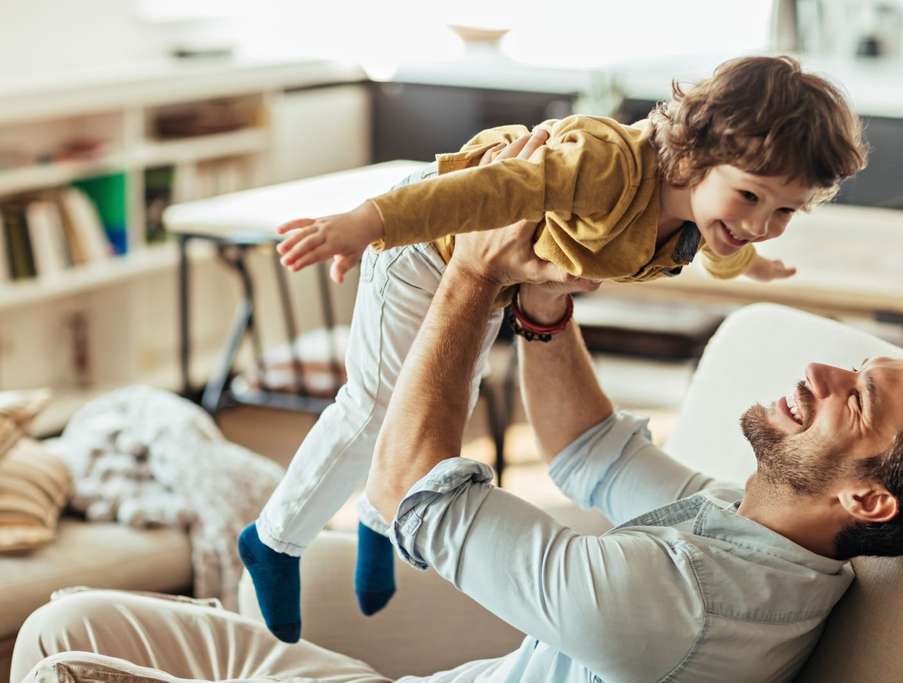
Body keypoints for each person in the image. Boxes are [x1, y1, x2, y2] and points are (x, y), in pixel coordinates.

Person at [13, 152, 903, 682]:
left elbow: (404, 487)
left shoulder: (680, 610)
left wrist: (471, 270)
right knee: (70, 618)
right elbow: (587, 449)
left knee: (57, 650)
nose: (818, 370)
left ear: (864, 494)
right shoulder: (763, 540)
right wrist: (542, 303)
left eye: (853, 395)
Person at [238, 55, 869, 641]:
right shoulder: (605, 166)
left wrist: (752, 265)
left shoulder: (707, 215)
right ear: (696, 157)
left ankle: (380, 528)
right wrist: (365, 222)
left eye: (786, 211)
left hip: (494, 279)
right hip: (428, 246)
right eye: (752, 198)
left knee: (435, 408)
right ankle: (273, 540)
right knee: (376, 408)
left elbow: (724, 240)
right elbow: (480, 194)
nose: (760, 222)